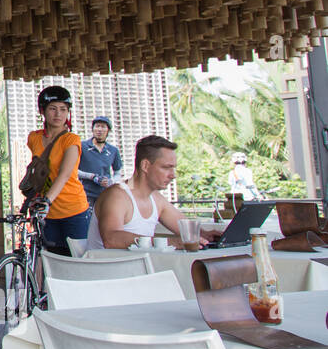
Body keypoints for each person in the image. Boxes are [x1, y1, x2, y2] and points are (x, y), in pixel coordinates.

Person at [87, 135, 224, 249]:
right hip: (108, 275)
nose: (173, 175)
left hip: (137, 272)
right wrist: (171, 242)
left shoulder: (157, 199)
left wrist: (206, 235)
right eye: (167, 167)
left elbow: (186, 229)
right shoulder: (117, 195)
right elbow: (111, 239)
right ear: (145, 165)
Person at [25, 86, 90, 256]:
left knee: (78, 261)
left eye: (63, 109)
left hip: (73, 209)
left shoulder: (71, 139)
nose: (58, 114)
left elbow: (65, 174)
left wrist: (47, 201)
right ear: (43, 111)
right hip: (47, 213)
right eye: (52, 109)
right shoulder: (34, 138)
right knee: (52, 261)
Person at [78, 115, 122, 206]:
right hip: (84, 194)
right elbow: (72, 170)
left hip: (105, 195)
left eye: (103, 127)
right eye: (97, 126)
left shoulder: (113, 150)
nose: (99, 130)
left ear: (108, 131)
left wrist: (111, 181)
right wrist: (92, 177)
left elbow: (118, 172)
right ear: (92, 129)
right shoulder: (82, 146)